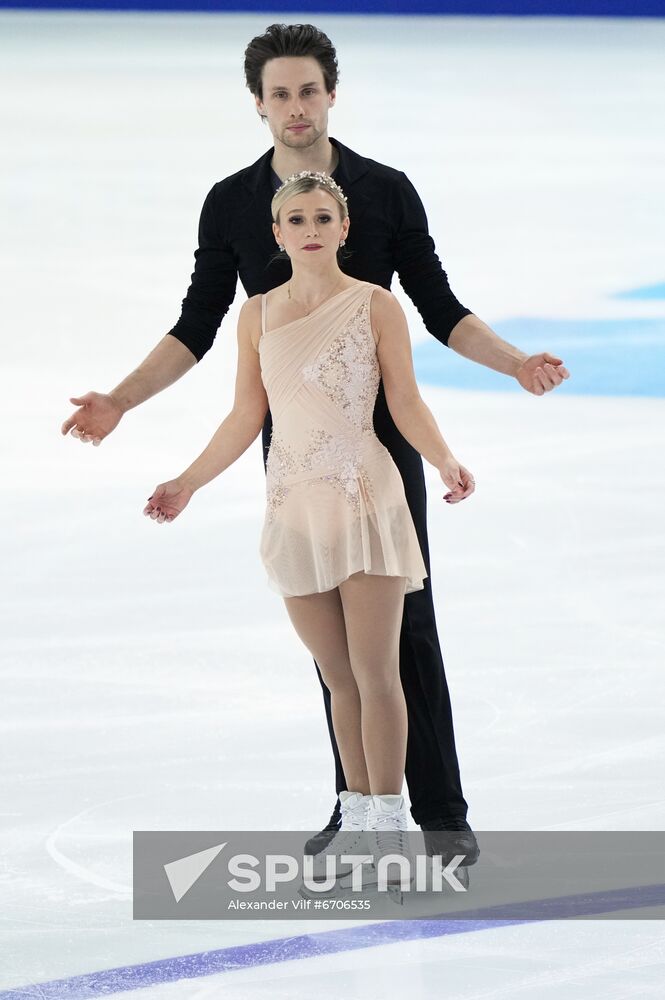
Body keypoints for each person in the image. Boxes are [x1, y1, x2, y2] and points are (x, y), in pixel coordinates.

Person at [60, 23, 569, 862]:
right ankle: (359, 803)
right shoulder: (233, 203)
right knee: (334, 649)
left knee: (404, 632)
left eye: (307, 91)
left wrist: (513, 363)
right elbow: (197, 324)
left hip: (379, 447)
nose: (295, 108)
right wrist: (121, 398)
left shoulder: (384, 190)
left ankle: (437, 814)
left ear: (330, 94)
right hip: (292, 456)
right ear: (257, 104)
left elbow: (439, 307)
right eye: (279, 94)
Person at [141, 170, 474, 872]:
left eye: (324, 217)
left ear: (345, 228)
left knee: (376, 671)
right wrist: (188, 481)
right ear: (276, 232)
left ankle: (390, 825)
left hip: (363, 495)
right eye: (297, 220)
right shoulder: (255, 315)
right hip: (294, 502)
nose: (312, 229)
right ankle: (357, 816)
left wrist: (443, 460)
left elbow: (405, 403)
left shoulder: (376, 305)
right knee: (337, 675)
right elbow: (243, 416)